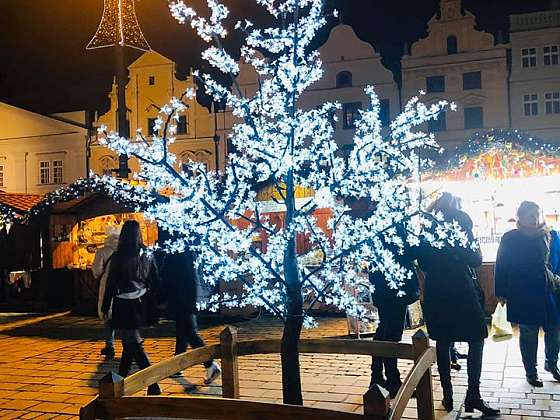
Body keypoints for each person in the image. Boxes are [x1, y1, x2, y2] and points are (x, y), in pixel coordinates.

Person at [419, 192, 499, 416]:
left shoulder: (428, 226)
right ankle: (473, 393)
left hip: (437, 290)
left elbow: (423, 262)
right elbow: (475, 259)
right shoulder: (462, 222)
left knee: (443, 342)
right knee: (476, 338)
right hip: (462, 288)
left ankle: (447, 394)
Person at [495, 201, 560, 387]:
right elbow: (502, 265)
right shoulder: (511, 238)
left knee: (555, 331)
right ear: (520, 218)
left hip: (551, 292)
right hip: (523, 292)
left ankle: (552, 364)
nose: (535, 218)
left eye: (537, 214)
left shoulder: (553, 236)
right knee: (529, 333)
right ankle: (531, 371)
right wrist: (500, 291)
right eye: (530, 215)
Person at [102, 220, 162, 395]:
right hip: (141, 301)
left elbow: (111, 283)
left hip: (124, 303)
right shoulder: (148, 254)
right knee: (128, 344)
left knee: (133, 343)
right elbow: (155, 279)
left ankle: (153, 382)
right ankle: (121, 380)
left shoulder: (119, 256)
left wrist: (106, 305)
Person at [369, 226, 419, 398]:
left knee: (384, 328)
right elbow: (406, 251)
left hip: (383, 286)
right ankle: (392, 381)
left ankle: (376, 376)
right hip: (396, 286)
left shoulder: (377, 223)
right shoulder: (393, 226)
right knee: (392, 333)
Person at [161, 244, 221, 384]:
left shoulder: (177, 250)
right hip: (190, 295)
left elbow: (170, 275)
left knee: (190, 332)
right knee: (182, 331)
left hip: (182, 297)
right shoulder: (191, 248)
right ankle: (178, 364)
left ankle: (210, 364)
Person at [93, 225, 120, 360]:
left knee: (107, 313)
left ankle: (110, 345)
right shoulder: (124, 250)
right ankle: (129, 343)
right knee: (121, 314)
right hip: (122, 286)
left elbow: (96, 271)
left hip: (107, 284)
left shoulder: (102, 251)